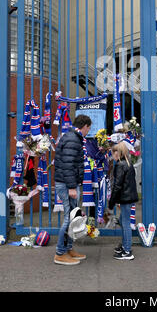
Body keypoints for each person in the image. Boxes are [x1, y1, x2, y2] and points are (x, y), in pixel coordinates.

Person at [53, 114, 92, 266]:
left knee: (73, 217)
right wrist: (71, 187)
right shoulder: (73, 140)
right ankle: (60, 253)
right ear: (85, 126)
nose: (88, 131)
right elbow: (68, 165)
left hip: (67, 183)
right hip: (67, 184)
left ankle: (68, 249)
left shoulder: (71, 137)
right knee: (69, 219)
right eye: (89, 128)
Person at [108, 141, 139, 260]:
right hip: (129, 196)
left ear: (118, 153)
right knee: (122, 220)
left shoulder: (120, 165)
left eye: (113, 152)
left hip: (125, 198)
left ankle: (127, 251)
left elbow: (117, 185)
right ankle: (125, 245)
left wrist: (112, 202)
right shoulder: (128, 163)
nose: (112, 155)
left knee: (125, 223)